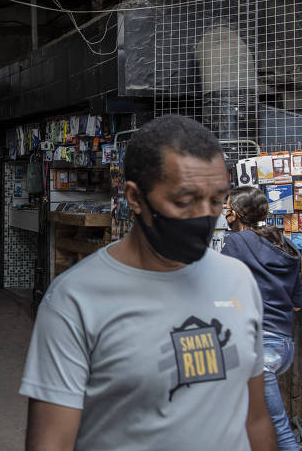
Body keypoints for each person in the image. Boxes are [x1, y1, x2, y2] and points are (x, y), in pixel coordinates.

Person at [20, 116, 275, 450]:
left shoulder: (239, 280)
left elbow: (255, 419)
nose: (204, 215)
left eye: (216, 201)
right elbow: (51, 442)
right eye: (185, 201)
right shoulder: (74, 300)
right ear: (135, 198)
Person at [222, 186, 302, 450]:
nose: (224, 212)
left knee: (278, 426)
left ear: (234, 214)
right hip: (283, 347)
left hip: (256, 349)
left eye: (227, 207)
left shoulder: (236, 244)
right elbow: (297, 305)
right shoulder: (287, 245)